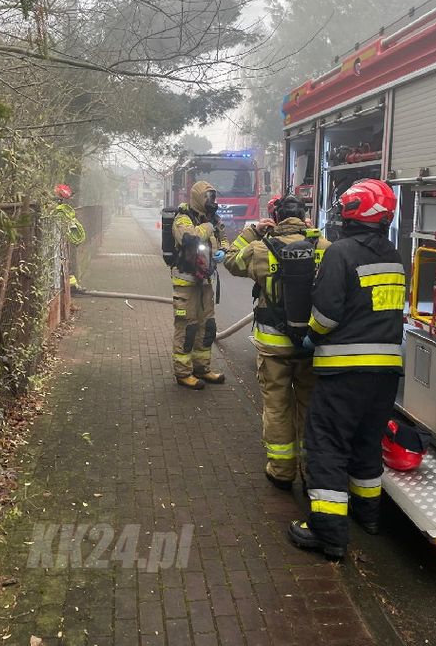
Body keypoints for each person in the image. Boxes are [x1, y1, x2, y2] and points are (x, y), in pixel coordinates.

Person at [288, 178, 406, 561]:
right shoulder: (394, 255)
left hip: (344, 373)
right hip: (386, 374)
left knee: (327, 446)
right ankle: (368, 517)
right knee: (366, 445)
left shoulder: (340, 253)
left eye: (343, 209)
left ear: (355, 211)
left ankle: (328, 533)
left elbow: (325, 314)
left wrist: (310, 336)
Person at [223, 195, 329, 491]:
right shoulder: (322, 246)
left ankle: (282, 471)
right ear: (305, 217)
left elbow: (230, 259)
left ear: (277, 218)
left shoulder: (260, 248)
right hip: (310, 346)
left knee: (277, 406)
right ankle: (312, 470)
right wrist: (314, 232)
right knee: (310, 406)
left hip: (273, 348)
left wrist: (253, 231)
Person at [170, 180, 229, 389]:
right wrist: (209, 225)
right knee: (187, 327)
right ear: (198, 197)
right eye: (208, 197)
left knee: (207, 326)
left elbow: (223, 237)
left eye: (213, 197)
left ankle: (202, 369)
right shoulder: (183, 218)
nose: (212, 201)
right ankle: (183, 373)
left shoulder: (213, 218)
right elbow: (189, 238)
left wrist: (223, 250)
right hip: (186, 284)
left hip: (205, 282)